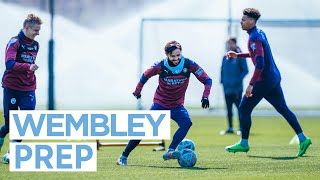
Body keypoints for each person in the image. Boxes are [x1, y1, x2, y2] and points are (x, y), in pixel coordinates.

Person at [225, 8, 312, 157]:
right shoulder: (259, 33)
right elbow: (258, 55)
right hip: (273, 77)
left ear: (251, 21)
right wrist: (238, 55)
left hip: (264, 80)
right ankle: (303, 139)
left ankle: (244, 143)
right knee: (283, 108)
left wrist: (251, 84)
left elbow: (260, 65)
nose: (241, 22)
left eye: (244, 19)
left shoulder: (254, 38)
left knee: (244, 108)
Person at [116, 40, 212, 165]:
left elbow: (207, 80)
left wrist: (205, 96)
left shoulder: (189, 64)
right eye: (173, 56)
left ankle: (170, 150)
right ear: (166, 55)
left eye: (178, 55)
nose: (176, 58)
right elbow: (145, 75)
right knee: (142, 130)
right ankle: (123, 157)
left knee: (186, 123)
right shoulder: (160, 66)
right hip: (160, 104)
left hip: (177, 106)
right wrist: (137, 91)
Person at [0, 14, 42, 163]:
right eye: (36, 30)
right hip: (11, 87)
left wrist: (30, 69)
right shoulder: (14, 42)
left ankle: (11, 153)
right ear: (26, 27)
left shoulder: (36, 45)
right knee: (11, 124)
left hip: (28, 88)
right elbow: (9, 64)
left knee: (25, 122)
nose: (38, 33)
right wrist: (28, 67)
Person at [220, 37, 248, 135]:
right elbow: (222, 70)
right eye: (228, 44)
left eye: (231, 43)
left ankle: (241, 128)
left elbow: (245, 70)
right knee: (228, 109)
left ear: (235, 44)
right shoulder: (225, 57)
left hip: (236, 88)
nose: (230, 46)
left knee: (239, 108)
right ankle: (230, 128)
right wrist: (222, 81)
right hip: (226, 88)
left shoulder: (239, 56)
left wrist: (237, 80)